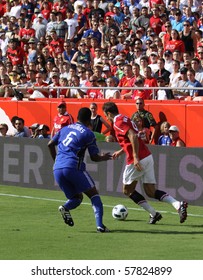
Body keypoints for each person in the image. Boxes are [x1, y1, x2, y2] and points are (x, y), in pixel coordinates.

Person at [102, 101, 188, 224]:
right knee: (150, 191)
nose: (106, 117)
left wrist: (135, 156)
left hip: (136, 159)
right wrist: (121, 151)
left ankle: (154, 213)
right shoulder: (125, 118)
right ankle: (178, 205)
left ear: (109, 113)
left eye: (106, 115)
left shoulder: (117, 122)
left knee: (127, 190)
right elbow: (131, 138)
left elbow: (133, 137)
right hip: (147, 156)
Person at [48, 107, 112, 232]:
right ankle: (100, 226)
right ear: (89, 120)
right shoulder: (88, 133)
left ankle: (65, 207)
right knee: (94, 195)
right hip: (73, 167)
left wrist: (56, 160)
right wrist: (104, 158)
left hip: (57, 169)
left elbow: (50, 144)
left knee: (77, 198)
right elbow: (94, 157)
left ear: (77, 117)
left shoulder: (64, 129)